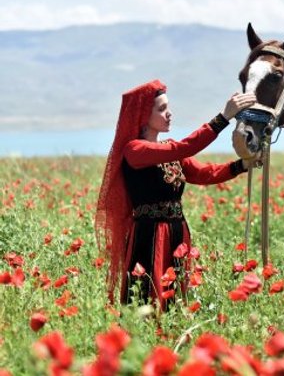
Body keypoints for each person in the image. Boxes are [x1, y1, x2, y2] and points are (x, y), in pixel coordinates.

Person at [95, 79, 257, 310]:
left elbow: (204, 174)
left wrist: (241, 165)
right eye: (161, 109)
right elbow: (184, 148)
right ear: (142, 115)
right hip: (149, 235)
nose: (169, 114)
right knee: (145, 297)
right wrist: (223, 118)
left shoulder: (169, 149)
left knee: (175, 298)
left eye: (167, 107)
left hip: (177, 232)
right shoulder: (135, 150)